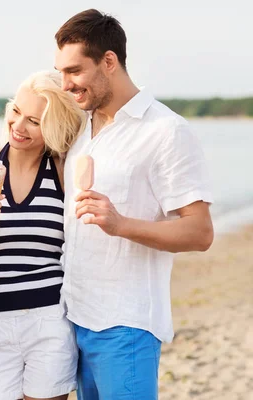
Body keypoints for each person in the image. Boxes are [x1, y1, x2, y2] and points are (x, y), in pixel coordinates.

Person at [54, 9, 214, 400]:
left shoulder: (166, 131)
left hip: (126, 327)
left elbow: (200, 231)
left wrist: (121, 223)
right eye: (60, 72)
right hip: (73, 318)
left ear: (109, 61)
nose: (65, 84)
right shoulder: (80, 127)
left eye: (74, 71)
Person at [0, 71, 86, 400]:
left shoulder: (62, 169)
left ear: (54, 127)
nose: (18, 126)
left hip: (49, 318)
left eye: (34, 120)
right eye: (16, 111)